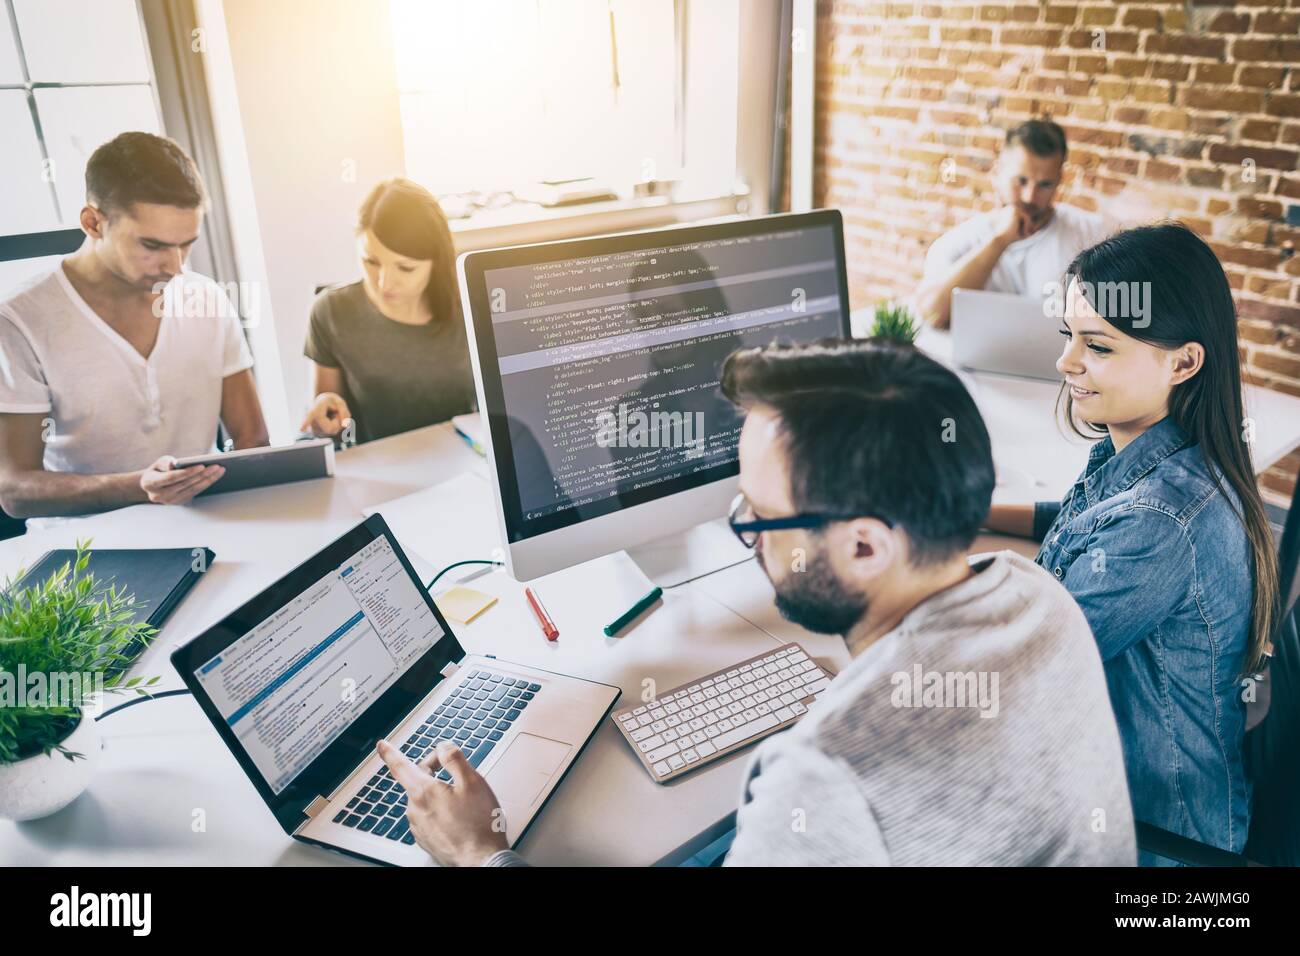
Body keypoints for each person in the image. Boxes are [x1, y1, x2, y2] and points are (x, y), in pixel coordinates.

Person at [377, 338, 1136, 866]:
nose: (746, 539)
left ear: (866, 546)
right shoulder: (1041, 597)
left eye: (760, 519)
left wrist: (479, 853)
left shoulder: (822, 779)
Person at [986, 222, 1280, 864]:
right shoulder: (1169, 459)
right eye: (1068, 336)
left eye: (1098, 346)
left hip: (1154, 845)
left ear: (1183, 362)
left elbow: (1015, 674)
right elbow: (1084, 521)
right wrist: (972, 511)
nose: (1066, 362)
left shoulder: (1161, 522)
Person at [0, 132, 268, 519]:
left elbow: (253, 439)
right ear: (93, 222)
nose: (175, 267)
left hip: (206, 525)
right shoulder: (20, 320)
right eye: (153, 246)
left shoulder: (206, 298)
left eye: (186, 243)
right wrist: (139, 487)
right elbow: (14, 491)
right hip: (86, 545)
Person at [300, 178, 475, 445]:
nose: (384, 283)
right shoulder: (331, 312)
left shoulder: (472, 306)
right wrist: (324, 417)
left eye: (405, 268)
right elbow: (331, 431)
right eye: (370, 261)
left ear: (436, 262)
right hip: (378, 463)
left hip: (465, 456)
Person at [914, 118, 1109, 329]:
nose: (1030, 196)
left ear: (1059, 180)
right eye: (1021, 181)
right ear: (997, 173)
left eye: (1045, 184)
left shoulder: (1091, 233)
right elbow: (932, 315)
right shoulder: (959, 241)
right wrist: (999, 241)